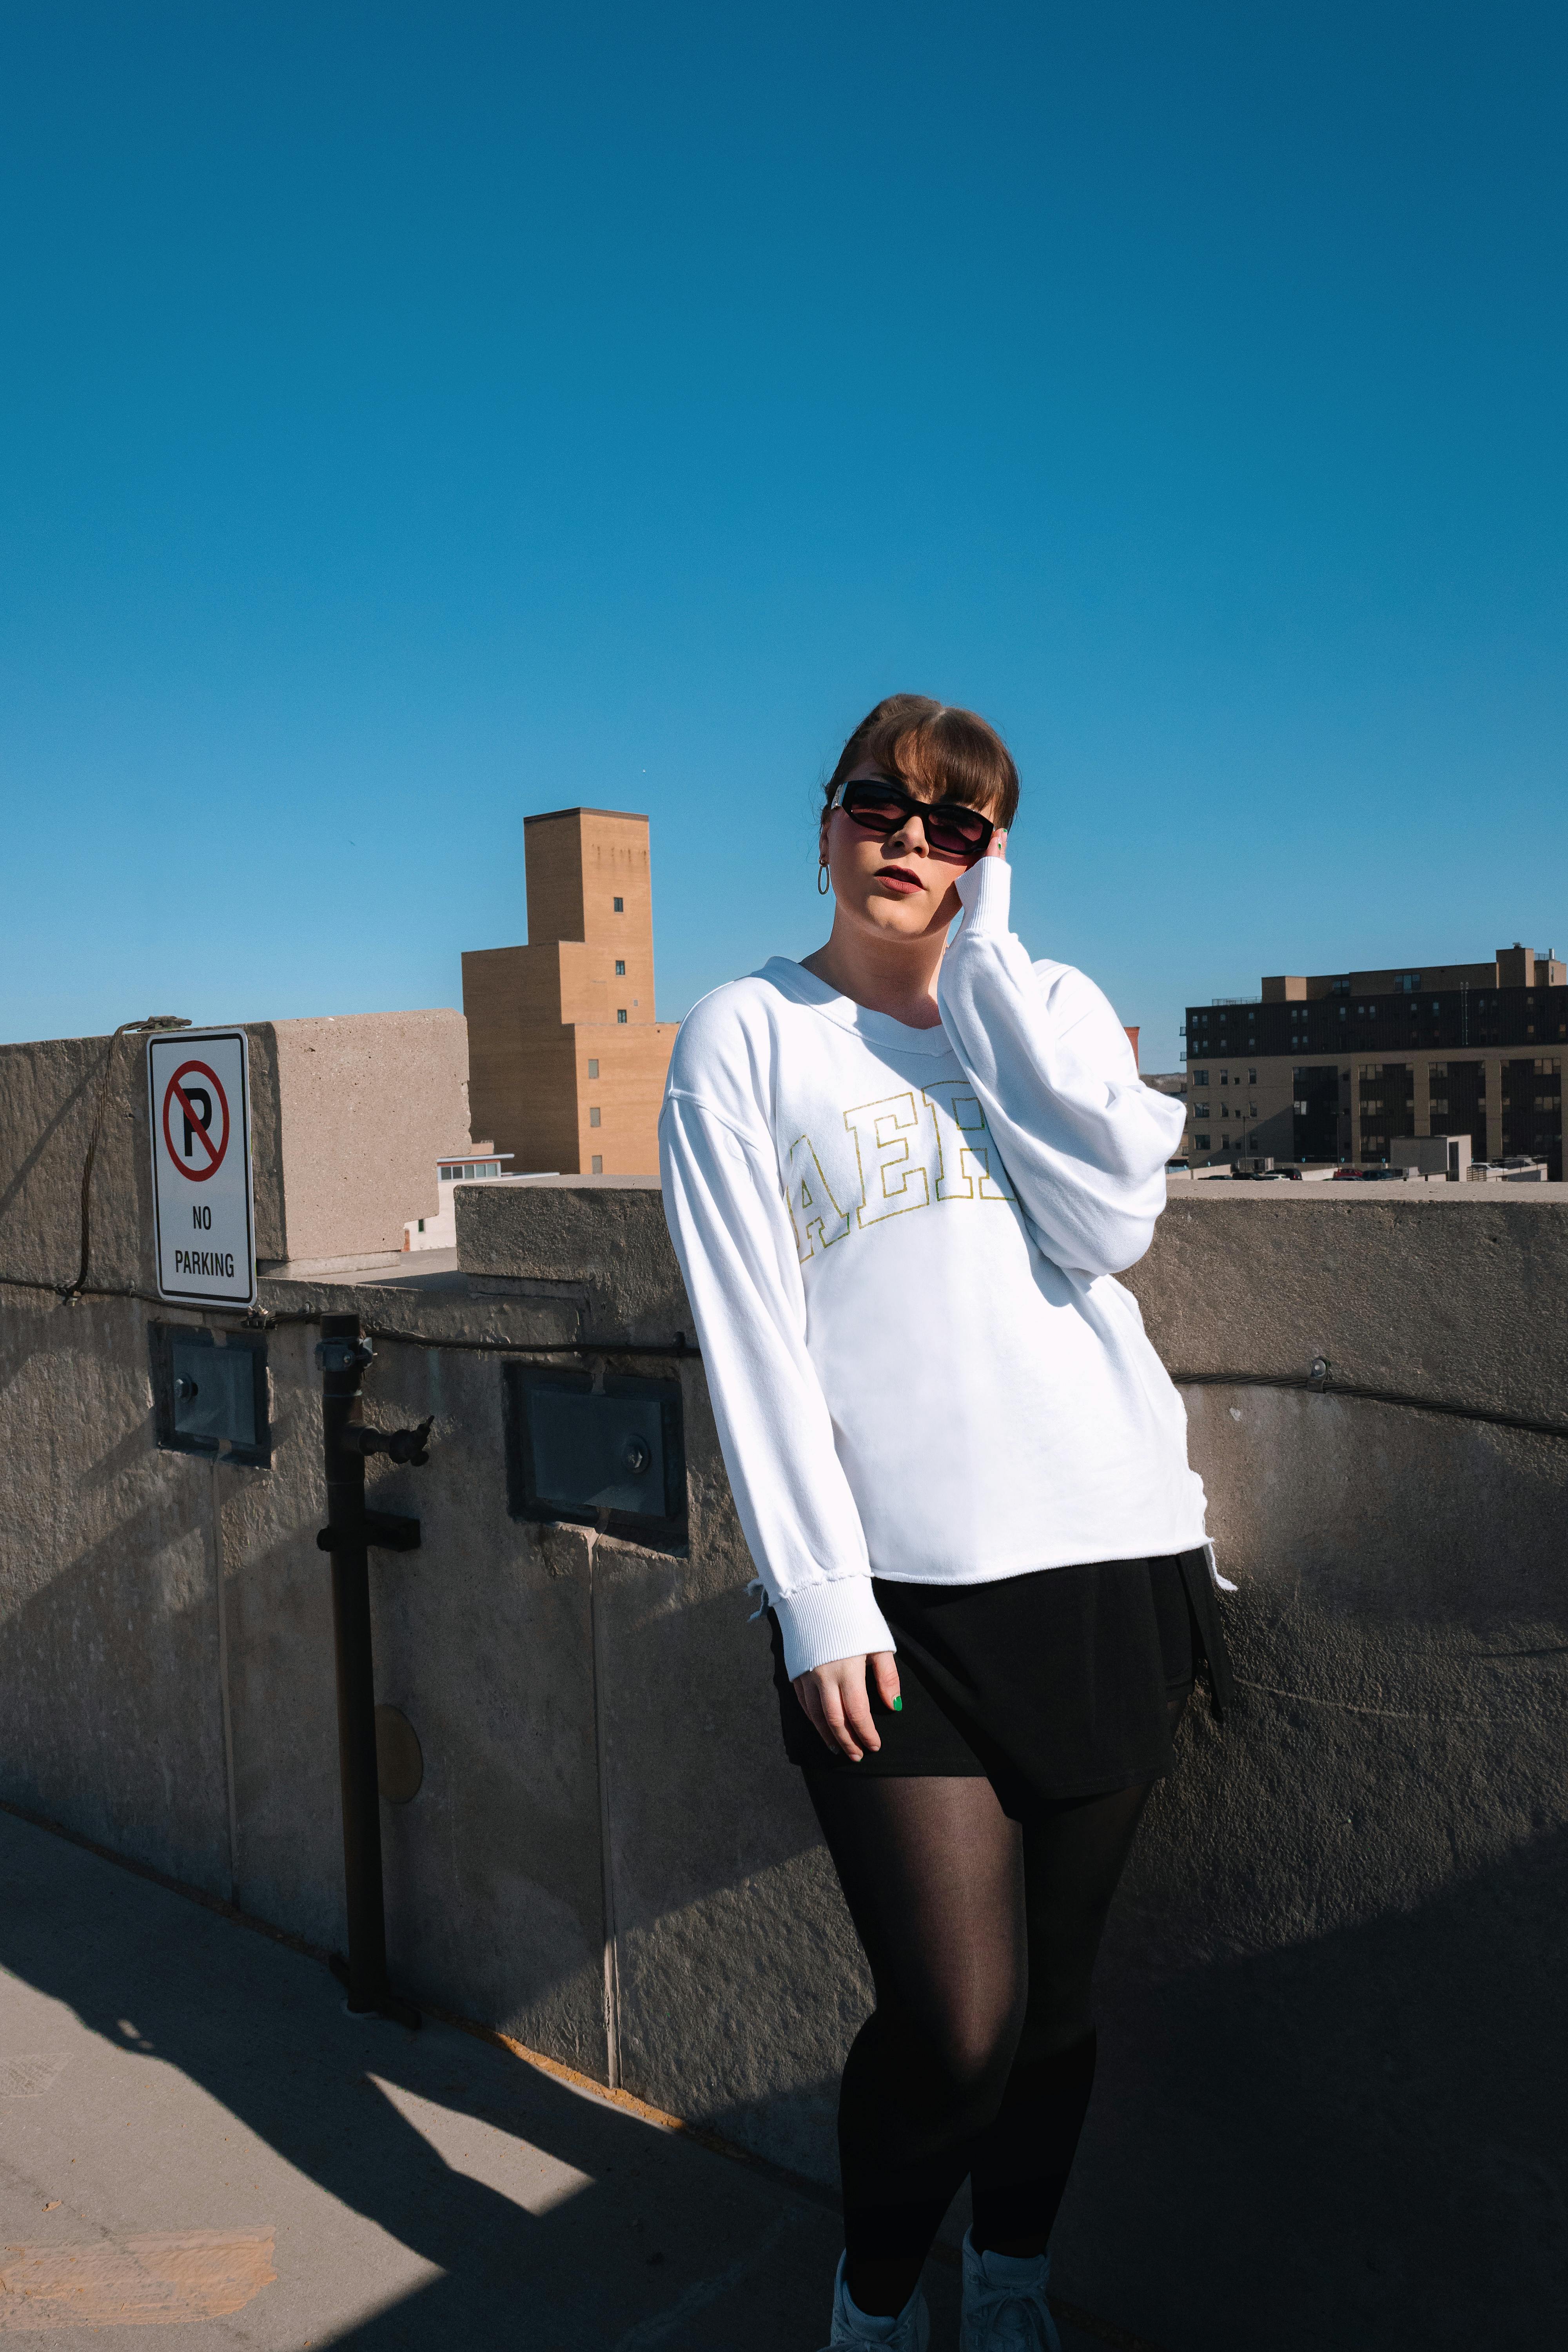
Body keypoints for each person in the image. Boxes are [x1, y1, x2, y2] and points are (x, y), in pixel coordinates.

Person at [659, 695, 1230, 2352]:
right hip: (896, 1607)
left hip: (1110, 1554)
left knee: (1055, 2008)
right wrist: (817, 1595)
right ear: (824, 829)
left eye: (954, 824)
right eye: (878, 806)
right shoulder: (747, 1034)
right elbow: (750, 1335)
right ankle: (877, 2294)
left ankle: (1013, 2282)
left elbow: (1110, 1225)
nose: (909, 841)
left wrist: (986, 979)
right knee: (955, 2024)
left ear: (993, 858)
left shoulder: (1045, 1008)